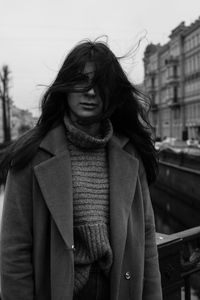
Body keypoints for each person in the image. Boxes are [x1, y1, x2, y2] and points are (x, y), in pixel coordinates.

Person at [0, 39, 162, 300]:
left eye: (100, 84)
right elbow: (14, 251)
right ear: (65, 87)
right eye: (81, 81)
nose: (90, 92)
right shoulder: (31, 154)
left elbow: (146, 240)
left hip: (120, 287)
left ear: (113, 92)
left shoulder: (130, 153)